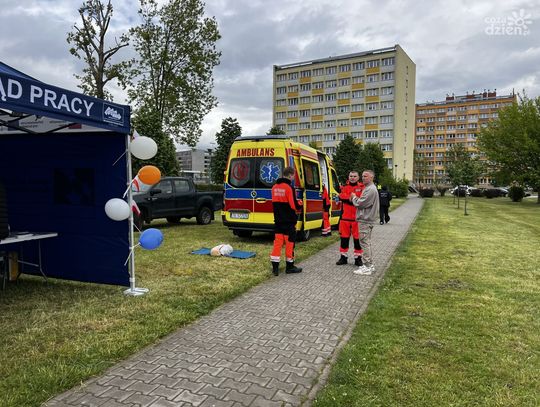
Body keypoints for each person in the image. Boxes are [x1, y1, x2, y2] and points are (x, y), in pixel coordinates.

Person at [270, 166, 303, 276]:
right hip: (289, 221)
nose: (294, 177)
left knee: (277, 244)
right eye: (294, 175)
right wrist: (300, 204)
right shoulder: (289, 188)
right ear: (290, 175)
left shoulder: (274, 187)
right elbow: (294, 205)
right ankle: (290, 266)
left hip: (278, 221)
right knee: (290, 243)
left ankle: (275, 268)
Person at [351, 170, 380, 276]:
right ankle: (369, 265)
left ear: (371, 177)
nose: (363, 178)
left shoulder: (370, 189)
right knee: (366, 242)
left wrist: (354, 197)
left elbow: (361, 203)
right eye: (362, 176)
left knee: (364, 242)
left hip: (365, 220)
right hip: (367, 219)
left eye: (366, 176)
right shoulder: (368, 188)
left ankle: (367, 266)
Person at [336, 171, 364, 266]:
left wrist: (349, 199)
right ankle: (343, 257)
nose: (352, 178)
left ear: (358, 177)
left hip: (357, 219)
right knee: (344, 239)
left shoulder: (362, 187)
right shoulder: (344, 187)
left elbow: (361, 200)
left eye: (354, 176)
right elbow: (341, 197)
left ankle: (358, 258)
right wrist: (353, 199)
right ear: (348, 177)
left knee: (357, 240)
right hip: (345, 218)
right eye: (351, 176)